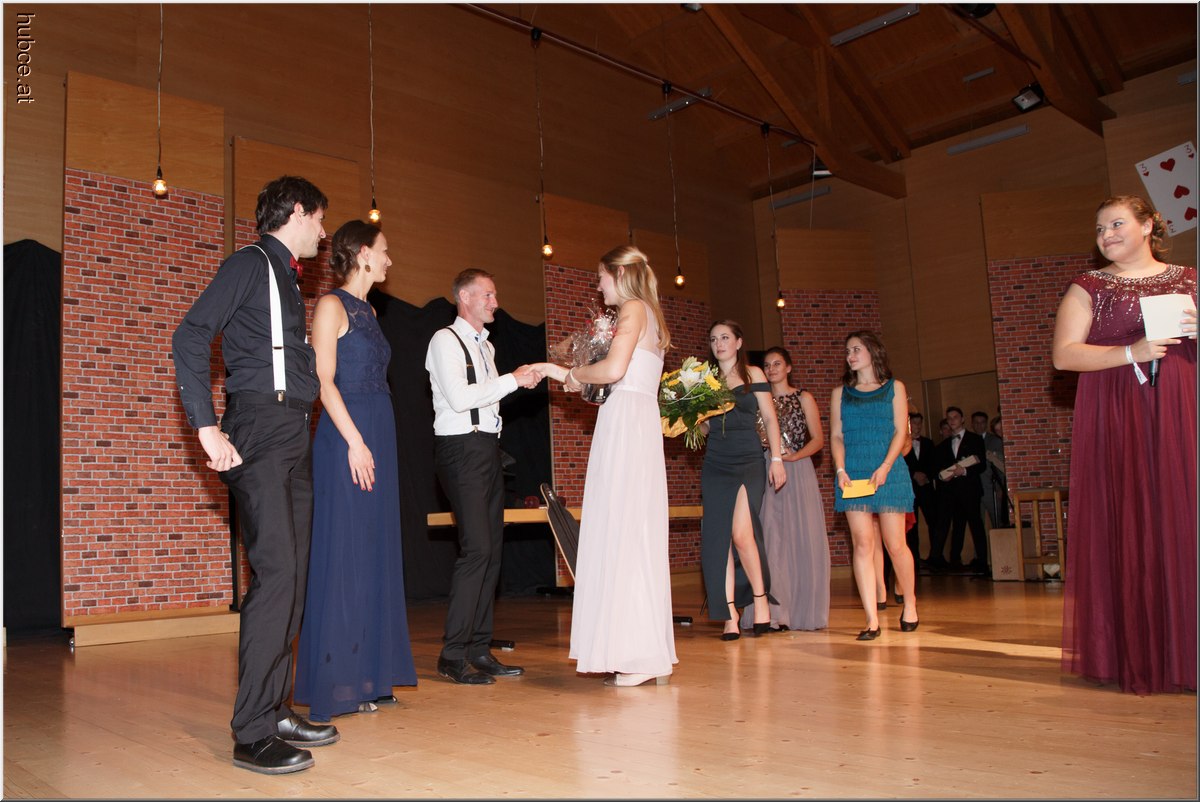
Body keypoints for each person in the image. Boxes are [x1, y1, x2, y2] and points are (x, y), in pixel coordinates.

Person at [172, 175, 337, 774]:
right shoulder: (248, 263)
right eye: (319, 218)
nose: (324, 231)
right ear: (297, 212)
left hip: (293, 430)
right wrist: (205, 426)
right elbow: (190, 335)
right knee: (276, 575)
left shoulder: (288, 278)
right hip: (260, 427)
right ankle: (251, 732)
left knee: (294, 577)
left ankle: (276, 708)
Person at [1052, 194, 1197, 695]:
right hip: (1119, 412)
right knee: (1134, 521)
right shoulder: (1089, 286)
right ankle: (1141, 653)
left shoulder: (1190, 279)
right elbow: (1064, 356)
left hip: (1182, 413)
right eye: (1099, 229)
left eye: (1115, 224)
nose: (1106, 235)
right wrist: (1130, 352)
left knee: (1185, 521)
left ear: (1148, 225)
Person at [532, 245, 678, 687]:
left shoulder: (633, 308)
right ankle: (638, 649)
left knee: (623, 530)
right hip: (634, 420)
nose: (598, 286)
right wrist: (559, 370)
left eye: (601, 277)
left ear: (619, 274)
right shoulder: (650, 314)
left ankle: (640, 655)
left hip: (626, 424)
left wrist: (574, 374)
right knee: (631, 531)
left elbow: (613, 369)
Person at [293, 220, 417, 721]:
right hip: (347, 438)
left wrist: (371, 440)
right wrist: (355, 441)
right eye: (384, 251)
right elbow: (323, 380)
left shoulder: (370, 310)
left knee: (372, 552)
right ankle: (337, 681)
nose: (389, 260)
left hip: (376, 433)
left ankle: (370, 674)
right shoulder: (331, 305)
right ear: (363, 253)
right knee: (344, 553)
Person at [425, 269, 541, 685]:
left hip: (487, 450)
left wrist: (514, 380)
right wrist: (512, 380)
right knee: (476, 549)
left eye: (494, 295)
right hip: (460, 450)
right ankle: (453, 653)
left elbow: (487, 399)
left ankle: (478, 648)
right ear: (464, 297)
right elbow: (460, 399)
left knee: (491, 552)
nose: (495, 302)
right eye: (488, 295)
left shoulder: (485, 346)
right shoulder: (444, 340)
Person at [700, 320, 787, 640]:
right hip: (716, 463)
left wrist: (776, 459)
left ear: (738, 342)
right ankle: (730, 614)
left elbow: (770, 419)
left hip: (749, 460)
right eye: (713, 339)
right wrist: (692, 417)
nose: (719, 344)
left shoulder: (754, 375)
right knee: (718, 539)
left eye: (725, 338)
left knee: (741, 534)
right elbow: (704, 428)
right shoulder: (704, 382)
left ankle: (761, 600)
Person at [830, 331, 918, 640]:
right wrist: (840, 469)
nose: (850, 355)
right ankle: (871, 619)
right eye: (847, 351)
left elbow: (900, 433)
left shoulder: (895, 388)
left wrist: (885, 467)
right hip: (853, 473)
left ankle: (910, 603)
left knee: (895, 544)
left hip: (889, 471)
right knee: (863, 544)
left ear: (873, 352)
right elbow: (836, 435)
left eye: (856, 349)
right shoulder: (840, 394)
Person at [737, 346, 829, 632]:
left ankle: (799, 610)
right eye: (767, 365)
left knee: (799, 537)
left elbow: (818, 440)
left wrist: (795, 457)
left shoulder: (803, 397)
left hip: (797, 469)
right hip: (765, 467)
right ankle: (774, 612)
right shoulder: (758, 398)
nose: (772, 369)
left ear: (788, 367)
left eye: (777, 364)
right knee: (770, 539)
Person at [931, 406, 988, 573]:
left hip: (969, 490)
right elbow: (936, 469)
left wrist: (963, 471)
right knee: (952, 527)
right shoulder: (943, 445)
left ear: (962, 419)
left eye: (955, 417)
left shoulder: (975, 439)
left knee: (976, 526)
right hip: (949, 492)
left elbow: (982, 465)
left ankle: (983, 562)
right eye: (949, 418)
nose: (952, 420)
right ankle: (953, 561)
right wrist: (942, 475)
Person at [904, 411, 937, 570]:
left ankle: (935, 557)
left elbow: (935, 464)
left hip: (926, 489)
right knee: (912, 527)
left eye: (919, 423)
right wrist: (913, 475)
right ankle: (914, 560)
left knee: (934, 522)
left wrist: (926, 476)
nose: (917, 426)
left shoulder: (928, 443)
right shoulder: (902, 444)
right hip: (910, 489)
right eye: (914, 423)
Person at [984, 415, 1010, 528]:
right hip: (1005, 484)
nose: (1000, 432)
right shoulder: (1000, 443)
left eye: (1001, 428)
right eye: (997, 430)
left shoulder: (1010, 443)